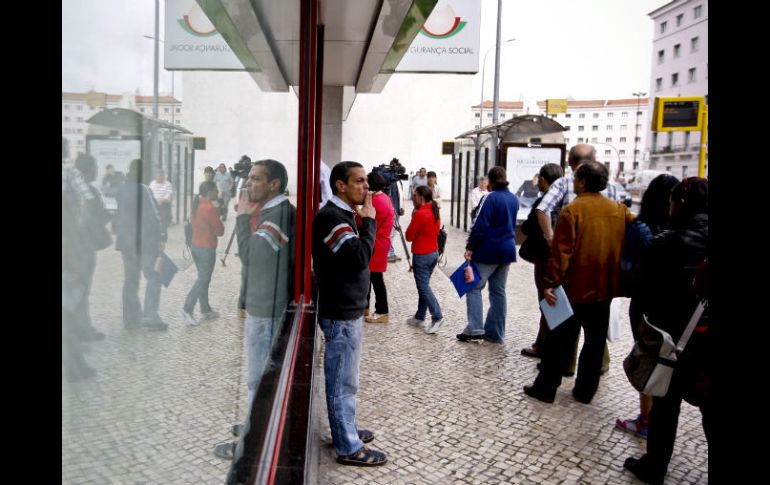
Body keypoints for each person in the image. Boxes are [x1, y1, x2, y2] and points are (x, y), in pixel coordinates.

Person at [524, 161, 633, 404]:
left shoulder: (573, 211)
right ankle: (585, 391)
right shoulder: (619, 210)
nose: (572, 181)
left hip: (573, 288)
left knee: (558, 340)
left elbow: (561, 253)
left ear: (583, 182)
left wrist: (550, 283)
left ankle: (546, 387)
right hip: (604, 288)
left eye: (575, 178)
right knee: (595, 342)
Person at [624, 178, 708, 485]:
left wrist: (643, 337)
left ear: (680, 203)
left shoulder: (667, 243)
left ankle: (655, 466)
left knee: (665, 404)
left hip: (673, 340)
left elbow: (642, 295)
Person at [312, 161, 387, 466]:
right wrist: (369, 222)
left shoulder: (344, 215)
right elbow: (359, 258)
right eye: (359, 181)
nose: (366, 187)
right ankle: (347, 446)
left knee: (347, 381)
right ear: (340, 185)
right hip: (340, 313)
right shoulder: (332, 218)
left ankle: (346, 429)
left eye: (366, 181)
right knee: (342, 382)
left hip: (348, 309)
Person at [535, 144, 616, 375]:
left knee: (565, 318)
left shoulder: (566, 190)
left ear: (570, 163)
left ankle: (564, 365)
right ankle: (598, 366)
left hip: (572, 264)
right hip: (602, 264)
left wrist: (550, 239)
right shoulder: (612, 189)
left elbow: (543, 209)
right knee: (596, 324)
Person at [614, 173, 679, 439]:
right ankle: (656, 417)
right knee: (664, 357)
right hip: (672, 303)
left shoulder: (642, 228)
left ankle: (646, 418)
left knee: (647, 355)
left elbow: (629, 264)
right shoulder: (678, 230)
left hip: (646, 301)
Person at [456, 166, 519, 343]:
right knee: (498, 291)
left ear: (490, 181)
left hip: (489, 250)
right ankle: (495, 332)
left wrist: (470, 246)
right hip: (507, 250)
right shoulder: (513, 198)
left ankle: (475, 328)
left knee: (473, 286)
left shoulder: (489, 198)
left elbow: (479, 224)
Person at [114, 159, 168, 330]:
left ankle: (130, 317)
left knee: (131, 279)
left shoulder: (122, 189)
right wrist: (161, 235)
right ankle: (151, 316)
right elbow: (154, 215)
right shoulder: (144, 189)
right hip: (144, 242)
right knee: (154, 276)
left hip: (126, 243)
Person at [519, 163, 564, 359]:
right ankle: (547, 343)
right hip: (563, 258)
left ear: (544, 180)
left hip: (545, 258)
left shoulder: (543, 202)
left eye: (539, 180)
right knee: (556, 300)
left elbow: (528, 227)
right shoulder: (566, 199)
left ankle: (544, 345)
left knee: (546, 300)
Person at [181, 181, 225, 325]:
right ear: (210, 192)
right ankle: (187, 308)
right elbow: (220, 231)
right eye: (216, 190)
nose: (217, 192)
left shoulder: (197, 204)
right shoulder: (209, 208)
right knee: (203, 279)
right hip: (206, 247)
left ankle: (205, 309)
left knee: (203, 278)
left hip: (195, 246)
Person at [405, 186, 444, 334]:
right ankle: (420, 316)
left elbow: (409, 236)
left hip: (422, 255)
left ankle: (437, 317)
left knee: (423, 287)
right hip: (433, 253)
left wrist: (413, 217)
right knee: (424, 285)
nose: (413, 197)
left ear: (421, 197)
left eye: (415, 195)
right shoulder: (435, 210)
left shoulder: (420, 214)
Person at [364, 171, 395, 324]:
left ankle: (382, 310)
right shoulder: (383, 197)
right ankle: (365, 307)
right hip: (380, 241)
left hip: (377, 242)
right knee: (369, 276)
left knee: (375, 278)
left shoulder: (376, 201)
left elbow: (363, 219)